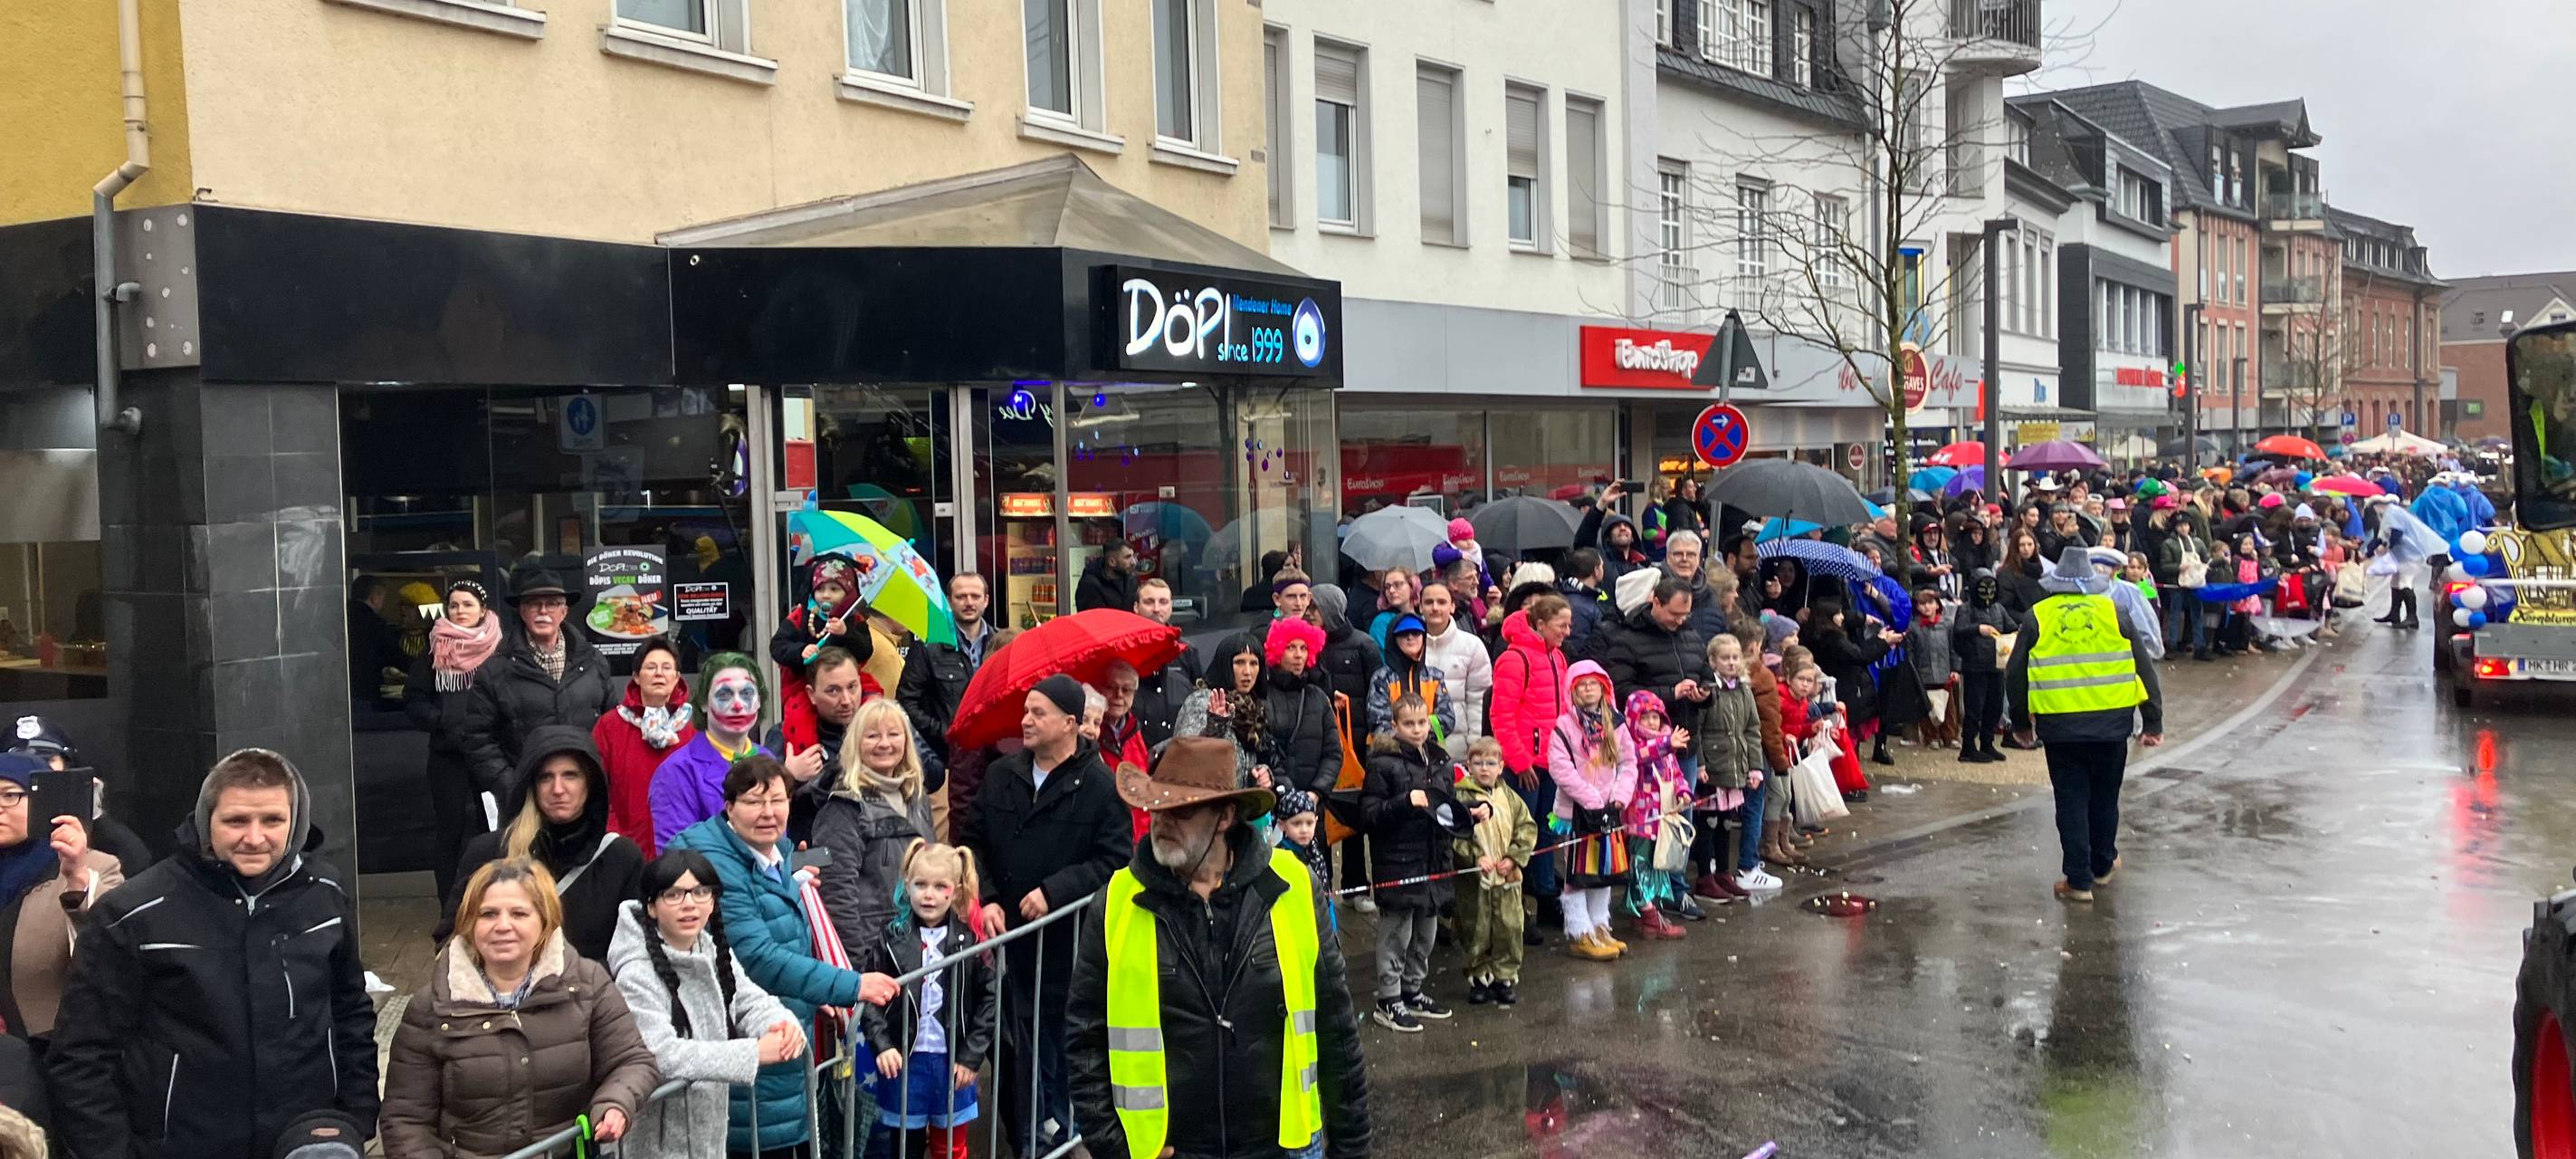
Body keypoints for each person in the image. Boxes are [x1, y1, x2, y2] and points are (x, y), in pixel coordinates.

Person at [49, 749, 380, 1159]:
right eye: (236, 820)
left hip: (304, 1139)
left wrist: (356, 1116)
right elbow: (82, 1053)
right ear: (208, 820)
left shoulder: (325, 894)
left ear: (295, 821)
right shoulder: (133, 913)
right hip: (178, 1144)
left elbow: (350, 1011)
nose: (254, 838)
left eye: (272, 820)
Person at [1066, 736, 1372, 1159]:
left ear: (1225, 816)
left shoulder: (1292, 886)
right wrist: (1114, 1148)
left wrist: (1352, 1147)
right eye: (1155, 806)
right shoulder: (1117, 901)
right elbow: (1084, 1040)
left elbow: (1336, 1027)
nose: (1161, 821)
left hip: (1280, 1148)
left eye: (1181, 810)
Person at [667, 756, 902, 1156]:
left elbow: (789, 936)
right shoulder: (717, 867)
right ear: (729, 807)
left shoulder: (777, 852)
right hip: (742, 1051)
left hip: (786, 1037)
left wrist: (813, 995)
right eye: (754, 802)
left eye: (777, 800)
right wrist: (850, 985)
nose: (768, 812)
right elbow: (758, 957)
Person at [955, 675, 1133, 1159]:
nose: (1026, 721)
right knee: (1013, 1051)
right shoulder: (1001, 775)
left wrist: (1056, 892)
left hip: (1064, 949)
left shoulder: (1100, 786)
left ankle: (1061, 1133)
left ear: (1070, 723)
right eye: (1026, 711)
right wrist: (987, 898)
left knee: (1058, 1046)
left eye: (1038, 712)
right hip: (1003, 942)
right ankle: (1029, 1139)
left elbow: (1116, 860)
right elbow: (971, 841)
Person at [383, 857, 660, 1158]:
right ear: (469, 923)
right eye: (488, 914)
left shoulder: (587, 983)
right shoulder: (431, 1006)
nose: (503, 926)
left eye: (519, 913)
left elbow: (632, 1061)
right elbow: (406, 1120)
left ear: (545, 920)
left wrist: (614, 1104)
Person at [606, 848, 806, 1159]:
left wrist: (782, 1026)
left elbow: (748, 999)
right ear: (652, 907)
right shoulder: (636, 973)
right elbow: (658, 1053)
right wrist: (752, 1053)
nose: (689, 904)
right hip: (654, 1144)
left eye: (700, 892)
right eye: (674, 894)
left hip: (706, 1134)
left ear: (713, 902)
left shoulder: (708, 947)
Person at [2009, 548, 2165, 903]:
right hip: (2112, 723)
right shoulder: (2115, 611)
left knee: (2071, 801)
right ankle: (2102, 865)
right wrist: (2152, 720)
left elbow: (2015, 674)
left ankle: (2078, 881)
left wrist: (2020, 723)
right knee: (2105, 798)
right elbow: (2144, 667)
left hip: (2060, 726)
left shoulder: (2037, 616)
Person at [438, 725, 644, 962]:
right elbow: (451, 941)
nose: (558, 789)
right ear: (531, 786)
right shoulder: (488, 852)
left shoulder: (621, 858)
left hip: (590, 984)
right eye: (546, 777)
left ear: (590, 783)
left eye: (570, 775)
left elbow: (636, 952)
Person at [856, 841, 997, 1159]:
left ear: (955, 891)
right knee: (905, 1147)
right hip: (905, 1062)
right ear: (907, 885)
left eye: (939, 886)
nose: (928, 895)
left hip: (953, 1062)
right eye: (920, 885)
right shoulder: (890, 937)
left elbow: (990, 1001)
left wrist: (971, 1056)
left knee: (951, 1148)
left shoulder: (972, 940)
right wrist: (883, 1045)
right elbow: (871, 997)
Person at [1360, 695, 1475, 1032]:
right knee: (1397, 932)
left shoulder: (1440, 760)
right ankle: (1388, 998)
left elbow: (1447, 806)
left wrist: (1472, 813)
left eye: (1422, 722)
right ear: (1394, 726)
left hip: (1434, 859)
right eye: (1409, 723)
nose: (1417, 729)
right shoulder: (1382, 764)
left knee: (1426, 932)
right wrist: (1404, 802)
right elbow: (1368, 815)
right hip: (1398, 861)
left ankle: (1412, 990)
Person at [460, 567, 621, 807]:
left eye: (552, 604)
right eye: (534, 604)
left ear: (564, 611)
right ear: (522, 611)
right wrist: (512, 787)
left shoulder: (593, 662)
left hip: (586, 795)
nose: (543, 611)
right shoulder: (494, 671)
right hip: (527, 798)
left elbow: (613, 727)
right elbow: (478, 740)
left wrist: (600, 780)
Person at [0, 752, 121, 1050]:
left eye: (10, 795)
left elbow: (111, 947)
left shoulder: (92, 866)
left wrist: (77, 878)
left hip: (53, 1046)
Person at [812, 698, 940, 963]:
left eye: (894, 734)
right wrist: (855, 962)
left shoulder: (917, 798)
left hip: (918, 947)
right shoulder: (843, 806)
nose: (884, 743)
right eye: (872, 736)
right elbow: (836, 892)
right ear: (855, 744)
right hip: (872, 953)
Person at [406, 578, 505, 901]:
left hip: (489, 756)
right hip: (447, 757)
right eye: (454, 605)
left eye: (468, 605)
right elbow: (414, 700)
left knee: (493, 829)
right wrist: (442, 721)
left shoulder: (499, 650)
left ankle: (493, 898)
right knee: (450, 832)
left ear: (483, 610)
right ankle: (450, 905)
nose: (460, 611)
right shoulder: (436, 649)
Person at [1490, 594, 1571, 927]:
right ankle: (1518, 905)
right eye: (1561, 625)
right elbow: (1501, 716)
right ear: (1540, 624)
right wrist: (1520, 761)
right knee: (1521, 835)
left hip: (1552, 762)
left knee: (1547, 832)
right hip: (1525, 765)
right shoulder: (1514, 659)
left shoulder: (1557, 657)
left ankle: (1545, 893)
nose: (1567, 631)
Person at [1548, 661, 1637, 962]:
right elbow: (1561, 769)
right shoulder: (1564, 726)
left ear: (1603, 688)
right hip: (1576, 812)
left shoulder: (1616, 723)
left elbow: (1628, 763)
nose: (1588, 689)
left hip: (1609, 810)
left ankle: (1600, 925)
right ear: (1572, 691)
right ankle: (1579, 932)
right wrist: (1590, 798)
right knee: (1577, 873)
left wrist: (1620, 795)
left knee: (1603, 869)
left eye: (1593, 684)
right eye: (1581, 685)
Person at [649, 653, 773, 851]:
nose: (738, 705)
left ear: (759, 701)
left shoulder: (768, 760)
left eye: (747, 694)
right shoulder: (676, 771)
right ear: (703, 703)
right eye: (724, 695)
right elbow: (678, 858)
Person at [1450, 737, 1533, 1007]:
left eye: (1490, 763)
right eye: (1478, 763)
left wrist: (1514, 858)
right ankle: (1478, 976)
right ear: (1468, 765)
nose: (1484, 768)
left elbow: (1526, 828)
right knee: (1476, 928)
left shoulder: (1509, 798)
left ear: (1501, 767)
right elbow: (1455, 835)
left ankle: (1504, 977)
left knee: (1509, 927)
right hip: (1476, 882)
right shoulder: (1461, 798)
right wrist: (1475, 857)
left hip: (1507, 878)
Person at [593, 636, 695, 856]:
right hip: (623, 851)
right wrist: (614, 837)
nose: (659, 673)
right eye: (650, 667)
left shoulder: (691, 730)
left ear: (677, 677)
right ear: (636, 677)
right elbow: (596, 789)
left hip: (680, 852)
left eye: (666, 667)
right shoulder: (609, 726)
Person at [765, 647, 874, 845]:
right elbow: (760, 804)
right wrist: (790, 776)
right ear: (811, 694)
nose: (846, 700)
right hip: (811, 849)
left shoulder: (881, 730)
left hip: (872, 847)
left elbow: (929, 774)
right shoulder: (784, 735)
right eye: (833, 691)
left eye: (852, 687)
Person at [1693, 632, 1769, 901]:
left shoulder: (1744, 690)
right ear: (1713, 661)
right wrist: (1700, 763)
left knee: (1726, 822)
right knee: (1709, 821)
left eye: (1736, 657)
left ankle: (1724, 873)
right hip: (1713, 766)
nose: (1732, 662)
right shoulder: (1707, 691)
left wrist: (1755, 767)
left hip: (1735, 766)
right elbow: (1696, 730)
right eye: (1725, 658)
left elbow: (1752, 730)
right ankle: (1705, 877)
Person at [899, 571, 997, 774]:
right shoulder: (928, 646)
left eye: (975, 596)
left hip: (992, 757)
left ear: (986, 600)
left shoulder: (1000, 643)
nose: (969, 602)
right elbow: (906, 701)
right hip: (947, 760)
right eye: (961, 597)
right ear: (949, 601)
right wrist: (943, 732)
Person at [1619, 691, 1694, 935]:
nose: (1652, 722)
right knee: (1641, 865)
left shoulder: (1666, 744)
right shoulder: (1631, 744)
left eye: (1656, 717)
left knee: (1656, 864)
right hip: (1641, 819)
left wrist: (1683, 791)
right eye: (1645, 717)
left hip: (1662, 819)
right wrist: (1666, 743)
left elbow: (1677, 774)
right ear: (1634, 719)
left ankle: (1642, 912)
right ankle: (1650, 916)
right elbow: (1639, 756)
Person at [1805, 595, 1900, 781]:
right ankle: (1849, 780)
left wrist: (1878, 638)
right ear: (1830, 617)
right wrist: (1883, 642)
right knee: (1847, 738)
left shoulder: (1814, 635)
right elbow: (1860, 656)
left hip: (1834, 688)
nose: (1842, 617)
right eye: (1839, 614)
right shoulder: (1833, 639)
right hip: (1845, 690)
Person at [1261, 617, 1341, 796]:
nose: (1298, 655)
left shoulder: (1318, 697)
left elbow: (1333, 753)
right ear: (1277, 650)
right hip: (1275, 799)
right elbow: (1264, 754)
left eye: (1304, 648)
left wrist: (1316, 794)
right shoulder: (1263, 696)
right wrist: (1292, 796)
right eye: (1290, 647)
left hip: (1313, 804)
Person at [1126, 578, 1205, 746]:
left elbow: (1198, 700)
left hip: (1177, 749)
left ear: (1170, 607)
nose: (1156, 609)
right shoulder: (1125, 649)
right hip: (1135, 746)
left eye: (1163, 602)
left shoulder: (1186, 651)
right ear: (1136, 607)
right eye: (1149, 602)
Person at [1418, 580, 1495, 742]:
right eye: (1429, 602)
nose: (1435, 608)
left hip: (1459, 747)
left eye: (1442, 602)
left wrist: (1476, 744)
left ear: (1452, 607)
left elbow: (1478, 701)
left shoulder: (1472, 646)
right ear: (1420, 607)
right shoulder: (1410, 646)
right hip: (1418, 744)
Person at [1366, 614, 1458, 742]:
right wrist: (1408, 735)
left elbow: (1448, 720)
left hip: (1428, 749)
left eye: (1416, 633)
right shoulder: (1382, 678)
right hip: (1389, 751)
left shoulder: (1435, 677)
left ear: (1423, 637)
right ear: (1394, 639)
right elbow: (1378, 723)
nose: (1410, 637)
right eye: (1403, 634)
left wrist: (1416, 729)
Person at [1309, 584, 1385, 720]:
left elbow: (1378, 693)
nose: (1309, 613)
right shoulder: (1307, 645)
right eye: (1308, 607)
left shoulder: (1364, 645)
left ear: (1330, 607)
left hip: (1357, 725)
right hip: (1320, 724)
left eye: (1314, 607)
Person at [348, 574, 411, 712]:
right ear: (375, 598)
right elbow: (395, 656)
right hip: (365, 693)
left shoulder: (341, 618)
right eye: (382, 598)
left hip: (342, 691)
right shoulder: (375, 624)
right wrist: (422, 672)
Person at [1574, 484, 1651, 592]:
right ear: (1608, 537)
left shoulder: (1644, 567)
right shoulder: (1601, 560)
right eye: (1616, 526)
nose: (1622, 528)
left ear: (1633, 537)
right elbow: (1583, 543)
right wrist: (1601, 504)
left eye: (1626, 525)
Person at [1075, 539, 1140, 612]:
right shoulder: (1090, 585)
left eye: (1133, 556)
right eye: (1128, 557)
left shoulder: (1131, 580)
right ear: (1112, 562)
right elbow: (1094, 617)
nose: (1133, 562)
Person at [1366, 567, 1419, 653]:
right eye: (1387, 587)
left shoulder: (1423, 617)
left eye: (1397, 585)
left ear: (1412, 586)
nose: (1391, 590)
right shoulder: (1382, 622)